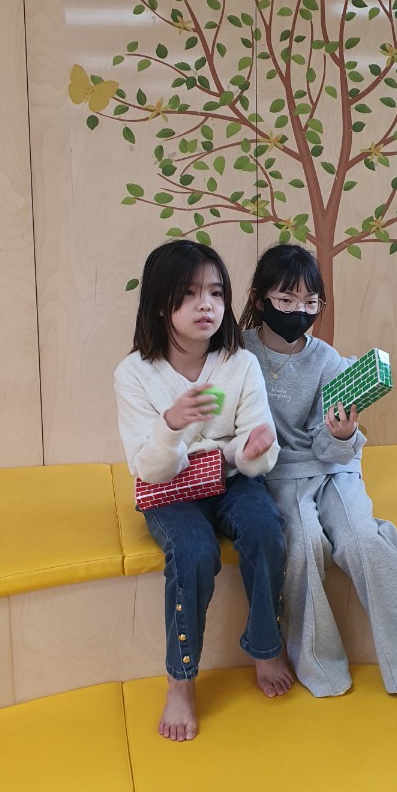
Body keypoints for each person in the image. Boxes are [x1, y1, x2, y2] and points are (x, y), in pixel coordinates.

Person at [239, 244, 397, 706]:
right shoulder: (239, 353)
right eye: (286, 299)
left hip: (334, 467)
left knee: (363, 540)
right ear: (259, 299)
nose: (299, 311)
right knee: (302, 544)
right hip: (277, 474)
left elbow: (328, 446)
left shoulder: (328, 360)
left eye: (310, 302)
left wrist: (343, 434)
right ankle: (318, 663)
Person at [114, 240, 294, 742]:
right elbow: (149, 470)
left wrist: (253, 449)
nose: (206, 305)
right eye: (189, 294)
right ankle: (181, 680)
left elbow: (255, 448)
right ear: (160, 303)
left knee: (265, 528)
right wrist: (171, 425)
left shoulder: (240, 363)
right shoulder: (134, 375)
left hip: (231, 480)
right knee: (193, 553)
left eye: (215, 293)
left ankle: (266, 646)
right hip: (171, 488)